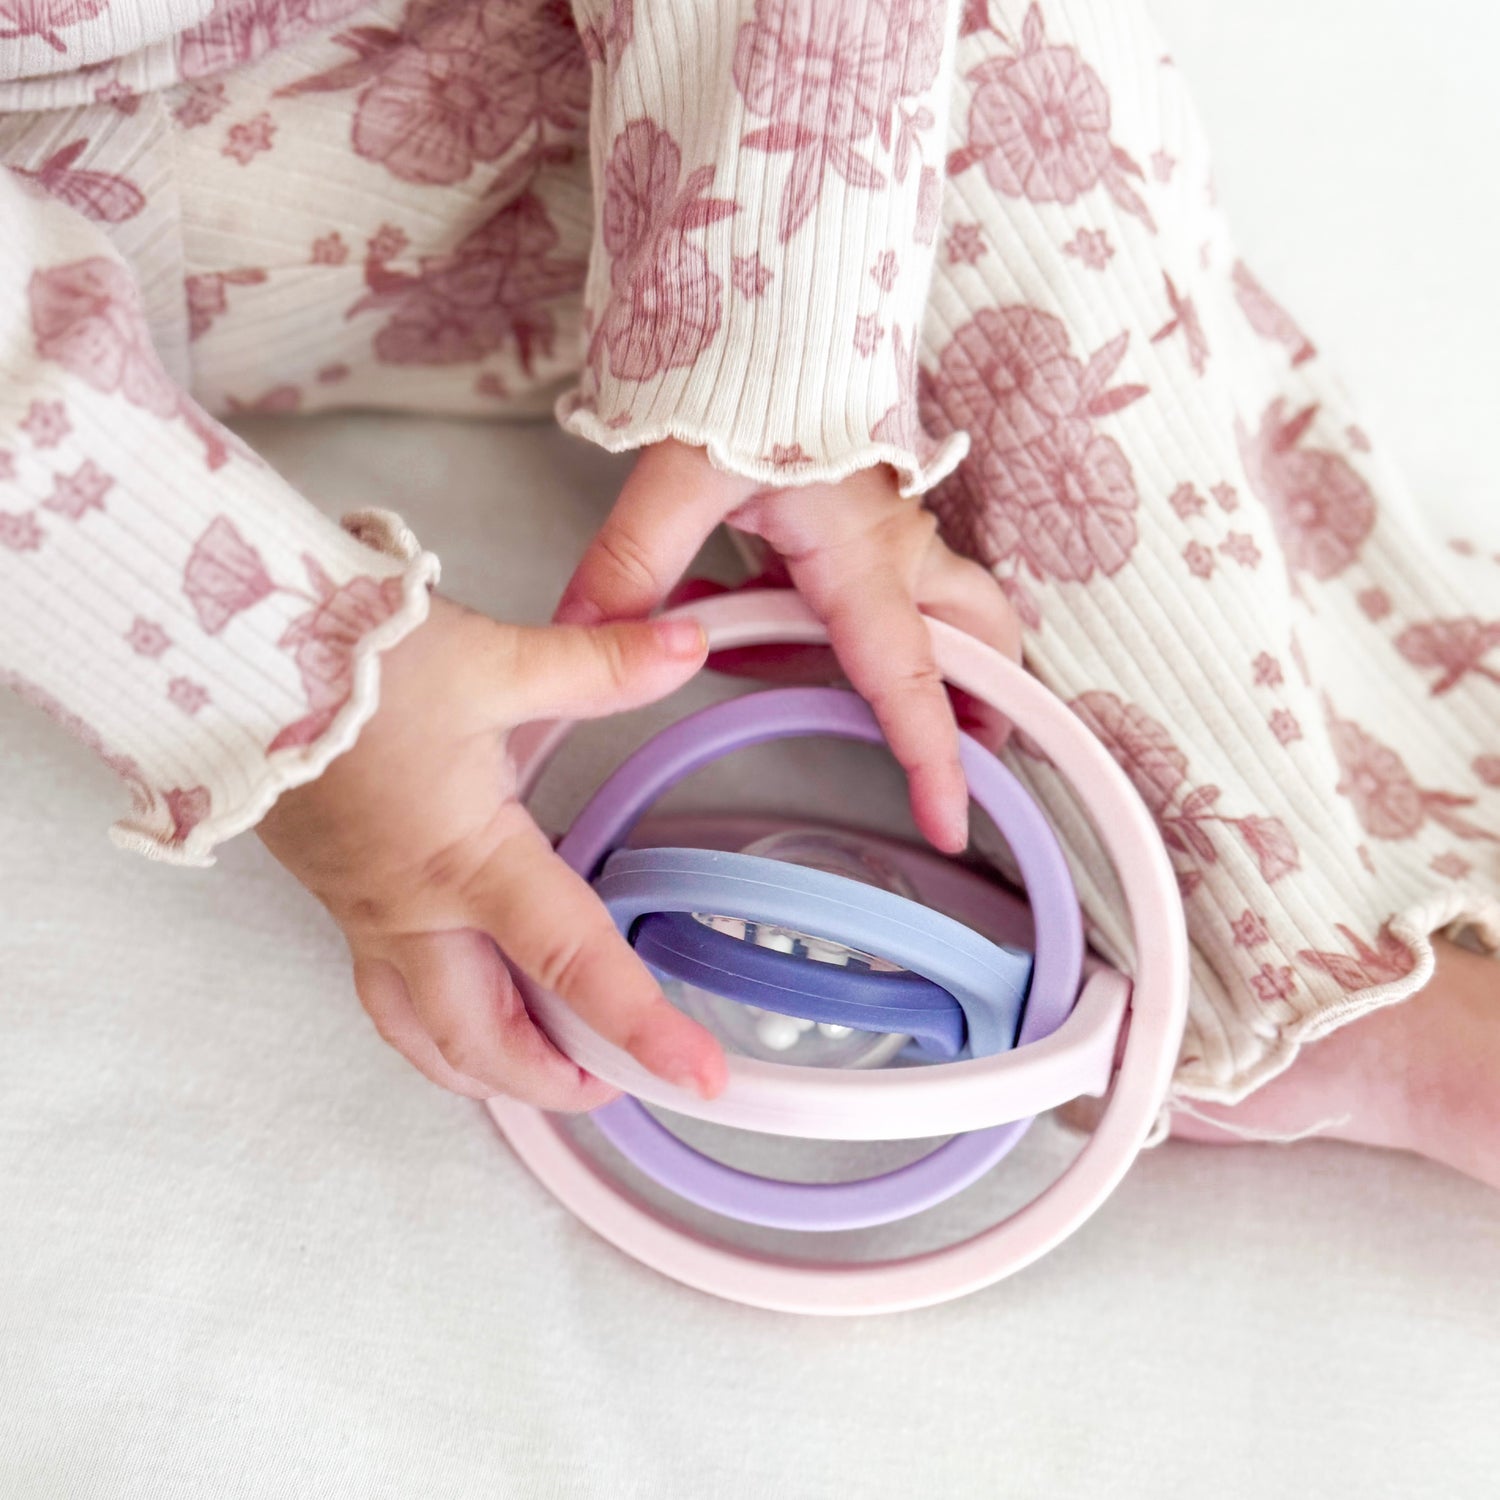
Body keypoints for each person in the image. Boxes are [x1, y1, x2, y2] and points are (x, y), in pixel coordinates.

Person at [2, 0, 1495, 1181]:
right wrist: (295, 685)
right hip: (63, 230)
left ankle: (1279, 870)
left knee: (1004, 53)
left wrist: (783, 352)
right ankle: (1308, 981)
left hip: (573, 82)